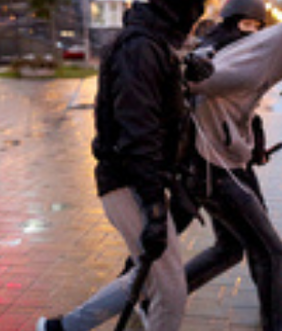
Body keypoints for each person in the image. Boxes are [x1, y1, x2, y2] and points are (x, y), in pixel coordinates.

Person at [35, 0, 213, 330]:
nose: (195, 15)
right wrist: (155, 209)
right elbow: (138, 134)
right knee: (171, 291)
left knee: (147, 279)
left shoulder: (154, 42)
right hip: (127, 180)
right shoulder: (140, 48)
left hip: (141, 179)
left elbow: (161, 109)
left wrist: (185, 75)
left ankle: (64, 328)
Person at [184, 16, 282, 331]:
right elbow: (192, 82)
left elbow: (243, 109)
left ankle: (160, 296)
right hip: (212, 167)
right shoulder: (248, 63)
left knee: (233, 246)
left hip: (227, 160)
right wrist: (186, 68)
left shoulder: (253, 53)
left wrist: (253, 144)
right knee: (270, 250)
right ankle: (275, 321)